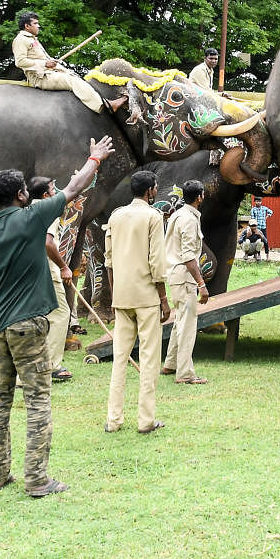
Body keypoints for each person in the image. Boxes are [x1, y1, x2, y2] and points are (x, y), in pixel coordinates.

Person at [0, 135, 114, 497]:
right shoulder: (32, 217)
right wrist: (94, 158)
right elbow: (75, 187)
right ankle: (36, 478)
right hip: (29, 323)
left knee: (0, 401)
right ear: (21, 195)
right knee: (37, 399)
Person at [104, 170, 171, 434]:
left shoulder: (116, 216)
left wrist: (113, 294)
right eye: (155, 188)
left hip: (122, 296)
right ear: (151, 190)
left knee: (120, 358)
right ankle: (146, 421)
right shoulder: (153, 217)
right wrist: (164, 298)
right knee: (149, 358)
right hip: (146, 297)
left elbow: (108, 260)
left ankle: (114, 420)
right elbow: (157, 262)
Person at [11, 12, 128, 115]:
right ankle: (104, 105)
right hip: (40, 78)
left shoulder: (32, 39)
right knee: (72, 81)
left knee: (73, 75)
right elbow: (20, 62)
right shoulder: (20, 39)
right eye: (35, 23)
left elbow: (40, 59)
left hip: (49, 73)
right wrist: (46, 64)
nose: (38, 26)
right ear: (27, 26)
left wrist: (52, 62)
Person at [161, 179, 210, 385]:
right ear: (199, 197)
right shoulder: (189, 219)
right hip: (185, 277)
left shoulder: (178, 214)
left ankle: (170, 364)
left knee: (180, 321)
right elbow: (189, 256)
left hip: (175, 275)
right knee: (188, 325)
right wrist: (202, 284)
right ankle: (185, 373)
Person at [28, 177, 74, 383]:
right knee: (61, 314)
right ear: (46, 195)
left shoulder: (25, 210)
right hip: (47, 272)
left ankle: (26, 370)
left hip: (28, 271)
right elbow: (48, 242)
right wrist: (64, 267)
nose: (57, 193)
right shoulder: (48, 209)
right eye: (54, 190)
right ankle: (52, 366)